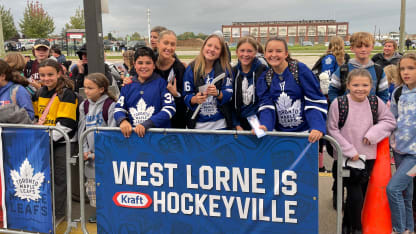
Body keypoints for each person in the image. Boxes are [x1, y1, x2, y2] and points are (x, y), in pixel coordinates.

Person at [327, 68, 395, 234]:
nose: (360, 88)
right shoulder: (339, 103)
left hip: (367, 156)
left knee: (359, 194)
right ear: (348, 85)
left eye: (364, 85)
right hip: (347, 157)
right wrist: (349, 150)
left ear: (371, 86)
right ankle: (357, 228)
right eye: (356, 84)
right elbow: (332, 129)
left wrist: (373, 134)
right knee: (355, 194)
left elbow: (389, 121)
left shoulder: (375, 102)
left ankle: (347, 225)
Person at [256, 37, 327, 143]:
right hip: (279, 136)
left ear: (286, 54)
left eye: (279, 51)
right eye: (270, 51)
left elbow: (314, 100)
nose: (274, 55)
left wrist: (317, 126)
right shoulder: (265, 78)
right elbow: (266, 106)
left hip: (305, 134)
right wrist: (265, 126)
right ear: (265, 54)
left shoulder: (300, 70)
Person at [33, 59, 78, 221]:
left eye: (50, 75)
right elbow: (37, 118)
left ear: (59, 73)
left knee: (60, 179)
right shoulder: (39, 93)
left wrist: (43, 141)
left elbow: (66, 124)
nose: (46, 78)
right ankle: (46, 210)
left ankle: (59, 214)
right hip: (44, 141)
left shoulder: (66, 94)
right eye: (43, 75)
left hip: (63, 143)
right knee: (43, 177)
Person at [78, 73, 117, 223]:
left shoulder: (110, 105)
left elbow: (112, 133)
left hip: (106, 157)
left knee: (109, 187)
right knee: (93, 189)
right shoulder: (84, 105)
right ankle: (100, 214)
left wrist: (98, 153)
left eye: (90, 88)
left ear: (101, 89)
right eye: (85, 87)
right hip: (90, 159)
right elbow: (82, 129)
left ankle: (111, 214)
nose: (86, 91)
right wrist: (85, 150)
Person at [114, 47, 176, 138]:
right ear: (134, 65)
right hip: (134, 138)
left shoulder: (161, 84)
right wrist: (122, 120)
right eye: (140, 63)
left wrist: (148, 123)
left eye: (148, 63)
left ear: (154, 65)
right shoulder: (128, 85)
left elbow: (170, 108)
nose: (144, 66)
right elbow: (119, 108)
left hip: (158, 139)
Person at [387, 53, 416, 234]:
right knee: (406, 194)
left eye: (411, 68)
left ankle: (398, 230)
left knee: (393, 189)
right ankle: (409, 230)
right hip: (399, 151)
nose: (406, 72)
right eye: (402, 68)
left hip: (414, 157)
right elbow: (392, 120)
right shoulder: (398, 92)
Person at [182, 34, 233, 130]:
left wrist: (218, 93)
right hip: (198, 126)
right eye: (209, 45)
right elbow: (186, 95)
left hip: (221, 126)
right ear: (203, 47)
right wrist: (195, 99)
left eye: (217, 48)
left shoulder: (225, 69)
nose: (212, 49)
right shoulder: (192, 68)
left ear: (221, 52)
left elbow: (229, 92)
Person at [328, 32, 389, 104]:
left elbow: (384, 95)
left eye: (367, 46)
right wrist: (340, 107)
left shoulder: (378, 71)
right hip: (346, 113)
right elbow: (332, 92)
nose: (363, 49)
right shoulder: (343, 70)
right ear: (352, 48)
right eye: (359, 46)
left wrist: (375, 109)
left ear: (372, 47)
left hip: (370, 113)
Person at [231, 36, 268, 130]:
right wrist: (236, 124)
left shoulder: (263, 70)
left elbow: (266, 100)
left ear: (255, 52)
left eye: (249, 51)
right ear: (237, 52)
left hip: (258, 122)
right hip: (239, 123)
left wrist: (259, 124)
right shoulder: (233, 72)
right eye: (242, 50)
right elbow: (230, 102)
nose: (245, 54)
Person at [154, 30, 187, 129]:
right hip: (152, 121)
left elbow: (186, 100)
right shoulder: (149, 63)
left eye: (172, 44)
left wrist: (176, 94)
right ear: (158, 44)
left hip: (174, 123)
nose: (169, 47)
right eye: (166, 43)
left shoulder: (180, 69)